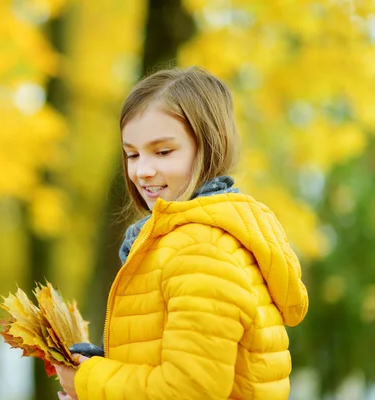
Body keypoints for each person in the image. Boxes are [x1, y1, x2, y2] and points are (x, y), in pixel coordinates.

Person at [54, 66, 309, 400]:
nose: (142, 171)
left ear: (209, 147)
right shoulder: (183, 242)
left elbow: (190, 389)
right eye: (132, 154)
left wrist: (88, 382)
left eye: (163, 152)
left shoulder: (201, 249)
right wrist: (110, 362)